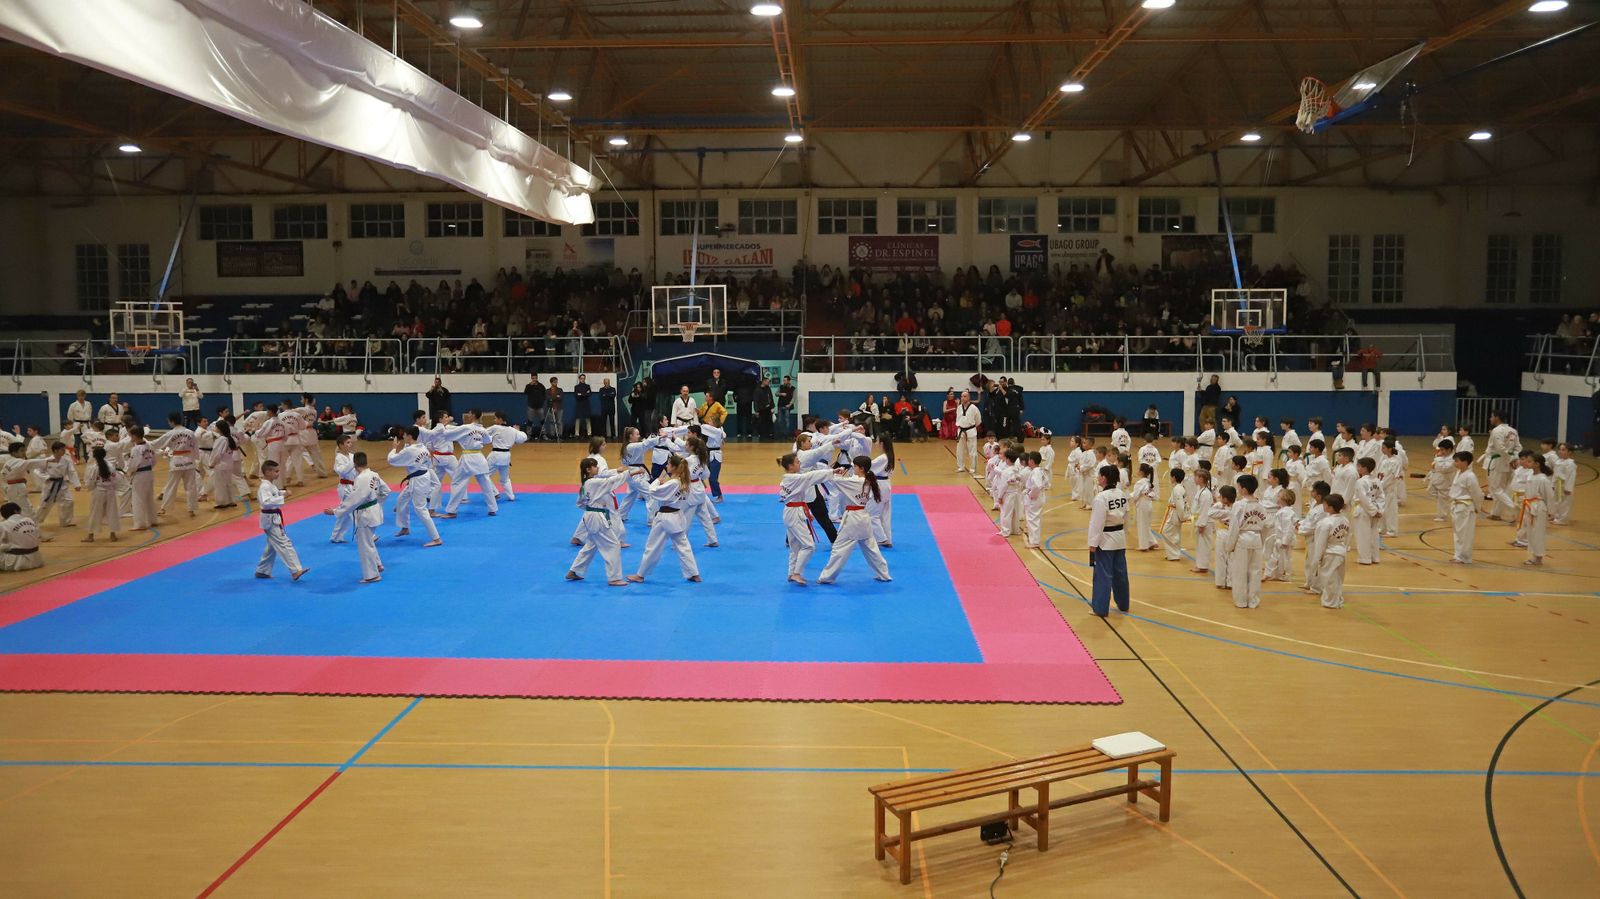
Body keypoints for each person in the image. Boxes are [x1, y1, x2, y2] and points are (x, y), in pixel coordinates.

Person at [817, 455, 891, 585]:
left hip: (853, 519)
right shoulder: (868, 480)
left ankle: (826, 577)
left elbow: (835, 481)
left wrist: (835, 472)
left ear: (861, 468)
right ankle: (884, 574)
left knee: (839, 549)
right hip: (863, 517)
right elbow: (846, 481)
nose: (853, 468)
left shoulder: (856, 482)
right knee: (871, 549)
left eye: (855, 466)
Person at [627, 456, 701, 583]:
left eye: (668, 464)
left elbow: (653, 492)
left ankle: (640, 575)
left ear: (673, 467)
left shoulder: (673, 483)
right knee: (684, 546)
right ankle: (694, 573)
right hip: (677, 516)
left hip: (665, 518)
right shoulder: (684, 482)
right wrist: (665, 484)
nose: (666, 466)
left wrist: (658, 481)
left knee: (652, 546)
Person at [322, 451, 389, 583]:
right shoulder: (374, 474)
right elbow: (386, 490)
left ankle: (372, 575)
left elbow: (354, 500)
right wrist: (376, 502)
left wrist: (335, 511)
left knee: (365, 545)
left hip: (366, 514)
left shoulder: (361, 478)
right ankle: (377, 564)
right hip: (374, 511)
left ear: (354, 464)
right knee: (367, 541)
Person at [566, 458, 631, 585]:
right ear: (588, 470)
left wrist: (591, 507)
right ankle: (614, 578)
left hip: (591, 515)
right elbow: (611, 481)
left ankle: (575, 570)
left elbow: (580, 503)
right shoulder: (594, 482)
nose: (597, 468)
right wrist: (629, 473)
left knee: (591, 545)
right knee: (613, 545)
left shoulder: (586, 484)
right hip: (597, 517)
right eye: (595, 467)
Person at [777, 451, 836, 585]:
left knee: (795, 547)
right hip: (794, 514)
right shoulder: (794, 479)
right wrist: (832, 473)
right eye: (797, 462)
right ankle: (797, 573)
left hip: (792, 511)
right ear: (791, 466)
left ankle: (791, 573)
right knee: (809, 546)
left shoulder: (789, 478)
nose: (800, 464)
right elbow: (811, 476)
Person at [387, 426, 443, 547]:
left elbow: (392, 460)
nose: (403, 436)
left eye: (405, 434)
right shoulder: (423, 447)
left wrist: (393, 448)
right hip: (419, 477)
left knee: (420, 509)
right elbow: (428, 463)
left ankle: (436, 538)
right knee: (401, 500)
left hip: (419, 480)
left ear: (410, 436)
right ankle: (405, 527)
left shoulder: (410, 450)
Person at [1086, 464, 1130, 617]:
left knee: (1103, 575)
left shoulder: (1101, 498)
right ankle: (1124, 604)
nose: (1098, 478)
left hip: (1105, 541)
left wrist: (1092, 543)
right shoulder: (1122, 494)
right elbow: (1126, 516)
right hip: (1119, 537)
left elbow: (1097, 523)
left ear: (1103, 478)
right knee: (1120, 573)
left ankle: (1100, 608)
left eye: (1099, 475)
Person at [254, 460, 309, 581]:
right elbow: (266, 502)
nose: (278, 473)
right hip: (270, 519)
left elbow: (275, 493)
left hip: (273, 518)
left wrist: (283, 493)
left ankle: (262, 571)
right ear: (268, 472)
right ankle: (295, 570)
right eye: (276, 471)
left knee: (272, 546)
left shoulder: (270, 484)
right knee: (284, 543)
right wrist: (283, 497)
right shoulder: (264, 487)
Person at [439, 410, 498, 519]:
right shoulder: (482, 429)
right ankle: (493, 509)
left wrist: (442, 425)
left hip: (468, 457)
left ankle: (452, 511)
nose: (468, 415)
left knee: (457, 482)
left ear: (474, 415)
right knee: (486, 484)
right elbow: (488, 440)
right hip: (479, 457)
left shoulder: (467, 428)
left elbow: (448, 434)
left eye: (470, 413)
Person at [1225, 474, 1267, 609]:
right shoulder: (1261, 505)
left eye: (1238, 487)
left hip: (1242, 539)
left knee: (1240, 571)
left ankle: (1241, 601)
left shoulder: (1239, 505)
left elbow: (1234, 528)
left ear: (1243, 489)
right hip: (1256, 539)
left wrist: (1229, 546)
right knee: (1255, 571)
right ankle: (1253, 600)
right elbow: (1266, 525)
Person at [153, 413, 201, 518]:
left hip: (176, 462)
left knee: (171, 486)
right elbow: (196, 448)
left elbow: (156, 443)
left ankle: (164, 508)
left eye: (169, 421)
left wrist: (143, 442)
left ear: (172, 421)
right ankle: (191, 509)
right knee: (191, 487)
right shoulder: (190, 433)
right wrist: (196, 459)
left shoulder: (170, 433)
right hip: (189, 461)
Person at [1308, 495, 1350, 609]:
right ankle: (1337, 599)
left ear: (1330, 508)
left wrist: (1318, 558)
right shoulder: (1345, 519)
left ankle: (1330, 602)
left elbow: (1320, 542)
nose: (1323, 506)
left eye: (1325, 504)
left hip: (1330, 552)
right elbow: (1347, 537)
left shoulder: (1326, 522)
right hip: (1341, 551)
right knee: (1338, 578)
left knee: (1329, 579)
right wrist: (1344, 548)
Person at [1483, 411, 1520, 520]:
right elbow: (1518, 448)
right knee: (1501, 489)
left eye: (1492, 416)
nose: (1490, 418)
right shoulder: (1513, 431)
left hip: (1497, 462)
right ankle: (1496, 513)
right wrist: (1514, 458)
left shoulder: (1497, 431)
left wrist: (1512, 459)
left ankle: (1514, 508)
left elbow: (1500, 448)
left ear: (1497, 418)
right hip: (1508, 463)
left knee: (1495, 489)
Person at [1448, 451, 1484, 563]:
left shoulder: (1470, 476)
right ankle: (1458, 555)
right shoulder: (1459, 473)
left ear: (1465, 462)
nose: (1455, 463)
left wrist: (1477, 507)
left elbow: (1476, 493)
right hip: (1457, 505)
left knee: (1465, 533)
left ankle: (1465, 556)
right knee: (1458, 532)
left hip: (1466, 507)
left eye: (1457, 461)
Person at [81, 446, 123, 543]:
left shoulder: (94, 467)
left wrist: (89, 488)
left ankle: (90, 535)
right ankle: (113, 535)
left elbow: (91, 482)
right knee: (112, 512)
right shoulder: (111, 466)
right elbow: (115, 480)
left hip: (99, 491)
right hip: (110, 491)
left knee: (95, 513)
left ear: (94, 456)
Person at [484, 412, 529, 502]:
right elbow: (523, 438)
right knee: (505, 479)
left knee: (484, 475)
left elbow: (483, 433)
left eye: (495, 418)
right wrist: (518, 431)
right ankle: (511, 496)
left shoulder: (495, 428)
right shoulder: (512, 430)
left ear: (500, 419)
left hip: (495, 455)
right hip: (506, 456)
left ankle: (495, 493)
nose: (494, 420)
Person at [1519, 456, 1554, 566]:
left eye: (1530, 461)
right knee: (1531, 533)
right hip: (1529, 506)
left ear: (1537, 464)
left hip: (1538, 508)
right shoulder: (1530, 475)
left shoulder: (1543, 479)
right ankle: (1534, 555)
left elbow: (1549, 496)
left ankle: (1538, 557)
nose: (1527, 463)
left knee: (1537, 533)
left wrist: (1551, 512)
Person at [35, 442, 78, 528]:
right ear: (56, 450)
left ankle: (65, 522)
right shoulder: (47, 460)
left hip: (62, 484)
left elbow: (71, 472)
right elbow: (37, 471)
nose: (64, 451)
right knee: (45, 504)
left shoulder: (66, 460)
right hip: (50, 484)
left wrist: (76, 484)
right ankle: (35, 521)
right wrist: (46, 477)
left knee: (69, 501)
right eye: (62, 449)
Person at [124, 425, 157, 531]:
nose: (130, 438)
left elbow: (133, 464)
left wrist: (129, 472)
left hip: (140, 475)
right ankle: (152, 520)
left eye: (130, 436)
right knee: (148, 497)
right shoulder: (149, 446)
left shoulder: (136, 449)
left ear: (134, 436)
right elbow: (154, 460)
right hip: (149, 473)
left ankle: (140, 524)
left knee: (138, 499)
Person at [1352, 458, 1382, 565]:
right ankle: (1375, 557)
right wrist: (1379, 510)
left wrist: (1373, 511)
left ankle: (1365, 558)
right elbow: (1381, 496)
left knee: (1363, 535)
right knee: (1374, 534)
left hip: (1364, 510)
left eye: (1359, 466)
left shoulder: (1360, 482)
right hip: (1374, 508)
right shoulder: (1377, 480)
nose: (1357, 468)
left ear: (1364, 468)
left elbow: (1363, 498)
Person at [328, 434, 358, 542]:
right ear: (340, 445)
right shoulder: (338, 457)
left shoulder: (352, 456)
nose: (350, 445)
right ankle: (366, 535)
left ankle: (336, 536)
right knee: (353, 511)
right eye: (347, 443)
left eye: (350, 442)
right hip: (345, 487)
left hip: (354, 486)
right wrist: (352, 463)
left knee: (345, 513)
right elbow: (342, 471)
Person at [208, 420, 243, 510]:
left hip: (221, 465)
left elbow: (217, 454)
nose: (215, 428)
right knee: (228, 483)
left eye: (216, 427)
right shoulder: (231, 438)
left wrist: (212, 463)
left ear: (219, 429)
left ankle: (222, 502)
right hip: (229, 463)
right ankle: (231, 500)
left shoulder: (220, 440)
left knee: (220, 484)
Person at [1161, 468, 1187, 562]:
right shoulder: (1179, 487)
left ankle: (1174, 554)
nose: (1170, 478)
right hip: (1174, 513)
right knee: (1174, 533)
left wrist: (1182, 517)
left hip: (1175, 514)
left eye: (1171, 476)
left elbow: (1180, 505)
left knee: (1166, 532)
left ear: (1174, 477)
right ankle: (1174, 554)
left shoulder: (1178, 489)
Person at [1022, 451, 1046, 549]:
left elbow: (1037, 485)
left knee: (1032, 519)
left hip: (1035, 497)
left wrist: (1031, 495)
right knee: (1034, 519)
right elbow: (1046, 483)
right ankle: (1034, 540)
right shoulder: (1039, 470)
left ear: (1031, 461)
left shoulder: (1036, 472)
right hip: (1039, 496)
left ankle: (1035, 541)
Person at [953, 391, 981, 473]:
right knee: (959, 450)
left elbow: (978, 420)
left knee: (972, 450)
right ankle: (961, 466)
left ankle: (973, 467)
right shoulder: (959, 407)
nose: (962, 398)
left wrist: (971, 427)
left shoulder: (974, 408)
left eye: (964, 396)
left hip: (971, 429)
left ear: (968, 397)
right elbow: (958, 418)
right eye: (961, 396)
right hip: (961, 430)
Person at [1552, 442, 1576, 525]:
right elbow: (1555, 474)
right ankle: (1557, 516)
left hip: (1564, 485)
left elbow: (1571, 477)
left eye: (1563, 450)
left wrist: (1568, 488)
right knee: (1557, 501)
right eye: (1559, 449)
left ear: (1569, 452)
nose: (1560, 451)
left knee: (1565, 503)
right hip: (1557, 484)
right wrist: (1553, 484)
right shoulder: (1558, 461)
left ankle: (1563, 519)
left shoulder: (1570, 463)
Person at [67, 389, 94, 456]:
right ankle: (77, 458)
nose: (81, 397)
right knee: (76, 443)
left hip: (86, 424)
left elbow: (90, 414)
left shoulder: (88, 404)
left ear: (85, 396)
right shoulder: (73, 405)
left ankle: (86, 457)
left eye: (82, 395)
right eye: (79, 396)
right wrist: (74, 425)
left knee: (86, 442)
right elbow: (70, 417)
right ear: (77, 396)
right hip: (77, 425)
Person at [544, 377, 565, 441]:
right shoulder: (547, 390)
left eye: (556, 382)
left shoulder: (560, 390)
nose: (556, 383)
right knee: (552, 422)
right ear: (551, 382)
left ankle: (560, 436)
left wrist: (552, 398)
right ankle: (552, 436)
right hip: (550, 408)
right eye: (554, 382)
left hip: (559, 408)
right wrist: (556, 396)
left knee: (559, 422)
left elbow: (561, 398)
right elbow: (547, 398)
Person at [572, 374, 594, 438]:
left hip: (586, 404)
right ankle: (576, 434)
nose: (582, 379)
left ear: (585, 379)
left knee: (588, 419)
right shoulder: (576, 387)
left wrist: (581, 394)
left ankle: (589, 433)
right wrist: (585, 394)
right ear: (579, 379)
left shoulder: (588, 386)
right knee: (578, 419)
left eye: (584, 378)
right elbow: (576, 396)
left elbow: (589, 394)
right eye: (581, 378)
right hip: (579, 404)